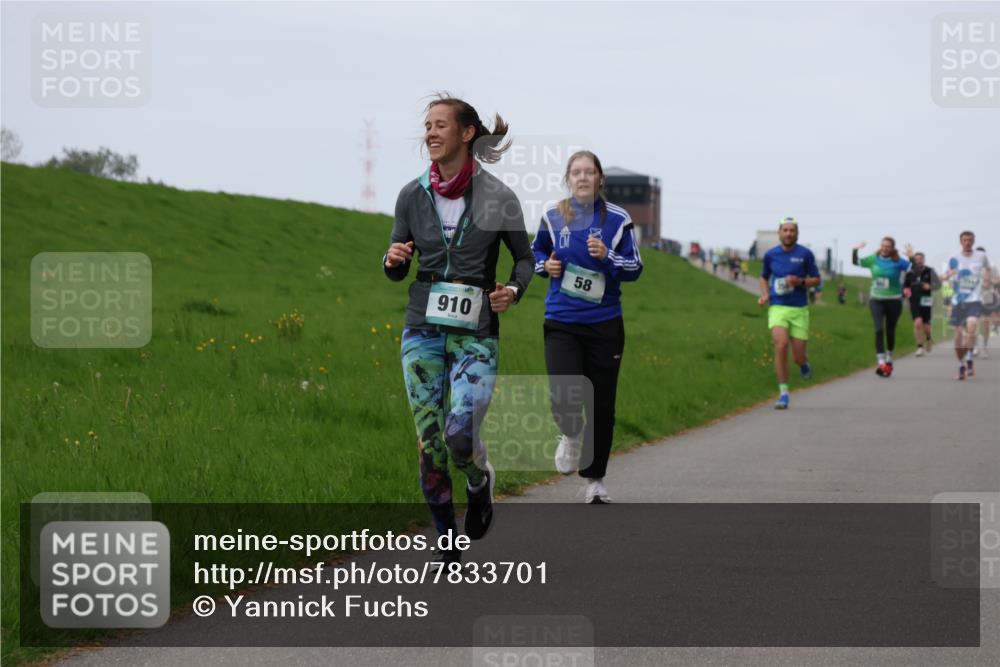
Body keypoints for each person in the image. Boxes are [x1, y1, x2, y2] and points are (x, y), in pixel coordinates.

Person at [383, 95, 534, 566]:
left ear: (467, 133)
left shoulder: (498, 197)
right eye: (426, 125)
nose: (429, 132)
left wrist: (512, 289)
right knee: (429, 442)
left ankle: (478, 479)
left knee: (459, 436)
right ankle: (448, 542)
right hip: (422, 327)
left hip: (475, 332)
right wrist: (392, 260)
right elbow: (394, 263)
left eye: (440, 124)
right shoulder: (411, 195)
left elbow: (524, 259)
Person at [532, 150, 643, 503]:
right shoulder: (552, 216)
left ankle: (595, 481)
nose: (582, 178)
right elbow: (534, 255)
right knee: (564, 392)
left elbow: (635, 267)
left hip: (604, 324)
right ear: (568, 178)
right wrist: (544, 267)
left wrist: (606, 257)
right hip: (562, 321)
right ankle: (571, 434)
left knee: (602, 404)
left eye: (589, 172)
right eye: (576, 172)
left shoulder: (618, 220)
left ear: (600, 180)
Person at [758, 217, 821, 409]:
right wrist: (765, 294)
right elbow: (763, 277)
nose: (788, 233)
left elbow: (816, 280)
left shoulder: (805, 254)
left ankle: (803, 364)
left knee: (798, 356)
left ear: (797, 234)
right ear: (779, 233)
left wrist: (800, 282)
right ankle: (783, 393)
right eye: (785, 230)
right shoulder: (771, 255)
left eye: (792, 230)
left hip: (799, 309)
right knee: (781, 345)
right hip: (778, 307)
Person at [852, 237, 914, 377]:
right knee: (879, 329)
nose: (885, 248)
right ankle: (881, 361)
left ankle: (889, 357)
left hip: (894, 300)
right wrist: (855, 249)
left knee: (890, 331)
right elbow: (856, 262)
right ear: (880, 246)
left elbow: (914, 270)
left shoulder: (898, 261)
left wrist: (911, 257)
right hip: (876, 300)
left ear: (892, 248)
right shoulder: (873, 259)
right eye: (883, 245)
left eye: (888, 246)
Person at [940, 232, 990, 379]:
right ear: (960, 242)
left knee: (972, 327)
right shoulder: (953, 258)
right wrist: (948, 276)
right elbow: (944, 277)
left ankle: (969, 358)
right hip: (958, 302)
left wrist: (986, 279)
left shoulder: (981, 256)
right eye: (964, 240)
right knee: (958, 337)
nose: (967, 242)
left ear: (973, 241)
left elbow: (987, 268)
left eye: (969, 240)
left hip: (974, 300)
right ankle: (961, 364)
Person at [903, 252, 940, 357]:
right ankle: (919, 347)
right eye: (917, 259)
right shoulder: (910, 273)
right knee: (917, 323)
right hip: (914, 301)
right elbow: (905, 287)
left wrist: (930, 286)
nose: (919, 261)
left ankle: (928, 338)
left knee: (926, 326)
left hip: (926, 300)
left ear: (924, 260)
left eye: (921, 259)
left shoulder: (930, 271)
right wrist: (906, 292)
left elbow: (938, 285)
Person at [980, 259, 1000, 358]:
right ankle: (974, 346)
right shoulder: (971, 266)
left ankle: (984, 347)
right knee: (972, 322)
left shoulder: (992, 267)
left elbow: (998, 279)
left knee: (986, 323)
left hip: (987, 297)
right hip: (974, 297)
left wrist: (989, 281)